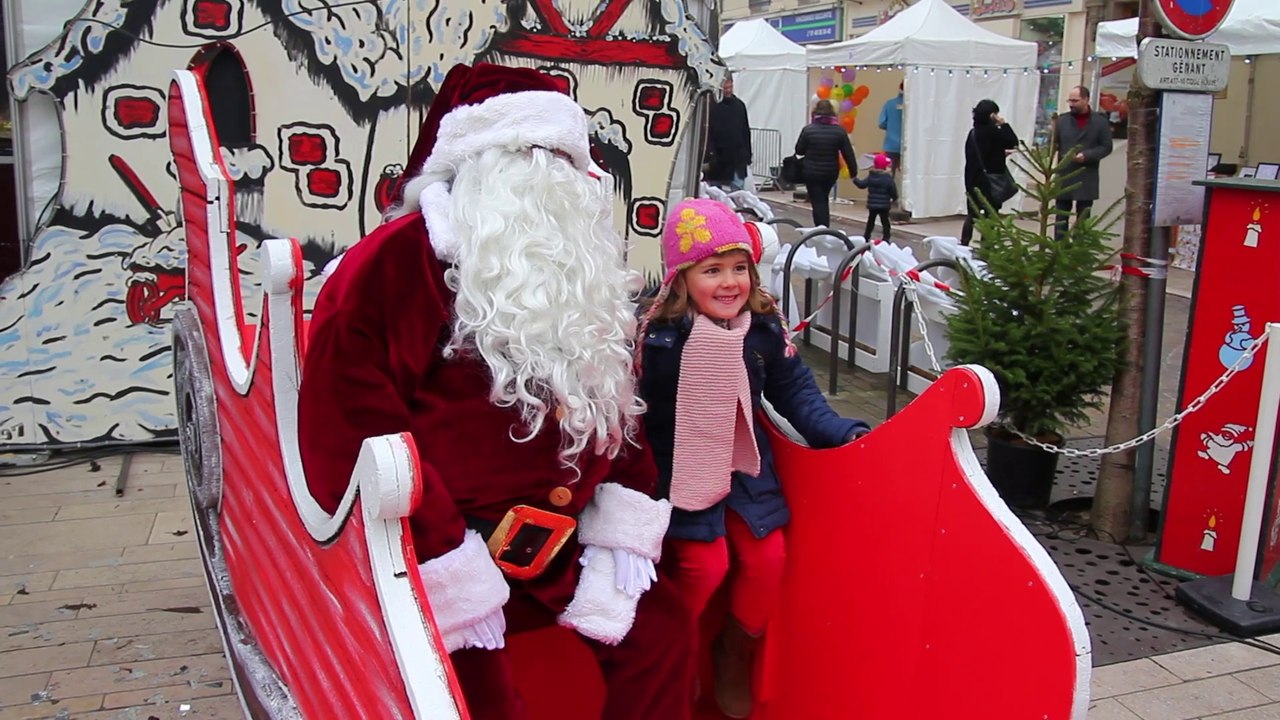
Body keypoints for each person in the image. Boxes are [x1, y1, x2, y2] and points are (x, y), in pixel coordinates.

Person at [297, 63, 693, 720]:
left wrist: (622, 525)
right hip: (443, 543)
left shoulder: (583, 271)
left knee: (663, 632)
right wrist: (443, 552)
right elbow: (349, 424)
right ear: (470, 166)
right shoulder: (399, 263)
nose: (543, 180)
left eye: (556, 158)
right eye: (522, 154)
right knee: (474, 698)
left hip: (562, 538)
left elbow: (615, 407)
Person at [636, 198, 871, 718]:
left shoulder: (761, 328)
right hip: (681, 468)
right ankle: (675, 658)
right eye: (712, 269)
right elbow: (630, 409)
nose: (730, 283)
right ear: (682, 278)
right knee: (703, 564)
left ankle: (734, 648)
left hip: (746, 463)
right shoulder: (657, 338)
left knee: (768, 559)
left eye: (739, 268)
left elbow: (796, 392)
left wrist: (840, 432)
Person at [1052, 85, 1113, 239]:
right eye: (1069, 100)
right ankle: (1059, 249)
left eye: (1075, 100)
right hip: (1064, 176)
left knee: (1083, 216)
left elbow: (1106, 147)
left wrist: (1087, 155)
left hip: (1087, 175)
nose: (1071, 104)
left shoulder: (1100, 122)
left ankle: (1080, 249)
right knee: (1061, 216)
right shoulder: (1062, 121)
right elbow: (1053, 145)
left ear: (1086, 100)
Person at [961, 99, 1019, 247]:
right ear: (992, 115)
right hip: (991, 181)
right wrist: (1003, 124)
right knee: (991, 215)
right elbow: (1012, 142)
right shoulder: (994, 131)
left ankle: (964, 244)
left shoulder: (973, 133)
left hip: (973, 179)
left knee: (971, 215)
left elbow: (974, 155)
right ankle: (986, 248)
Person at [795, 99, 857, 228]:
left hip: (811, 171)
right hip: (830, 172)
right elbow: (848, 154)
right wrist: (853, 172)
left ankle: (821, 227)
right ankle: (824, 227)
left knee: (817, 200)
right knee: (823, 198)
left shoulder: (808, 130)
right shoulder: (839, 131)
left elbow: (799, 150)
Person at [705, 73, 753, 191]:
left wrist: (747, 154)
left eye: (730, 87)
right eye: (725, 88)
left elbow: (745, 130)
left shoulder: (739, 105)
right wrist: (709, 153)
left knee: (738, 189)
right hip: (717, 157)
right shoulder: (712, 105)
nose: (728, 91)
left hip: (737, 156)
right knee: (716, 190)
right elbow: (708, 131)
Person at [852, 153, 898, 241]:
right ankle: (886, 238)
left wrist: (854, 179)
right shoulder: (888, 178)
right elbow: (893, 190)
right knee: (885, 222)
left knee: (871, 221)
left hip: (872, 205)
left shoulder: (871, 176)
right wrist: (895, 198)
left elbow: (862, 185)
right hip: (884, 205)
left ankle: (866, 236)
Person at [878, 81, 904, 178]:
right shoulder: (915, 105)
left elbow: (881, 123)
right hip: (909, 146)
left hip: (891, 145)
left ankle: (890, 193)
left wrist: (891, 126)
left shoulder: (889, 104)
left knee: (888, 175)